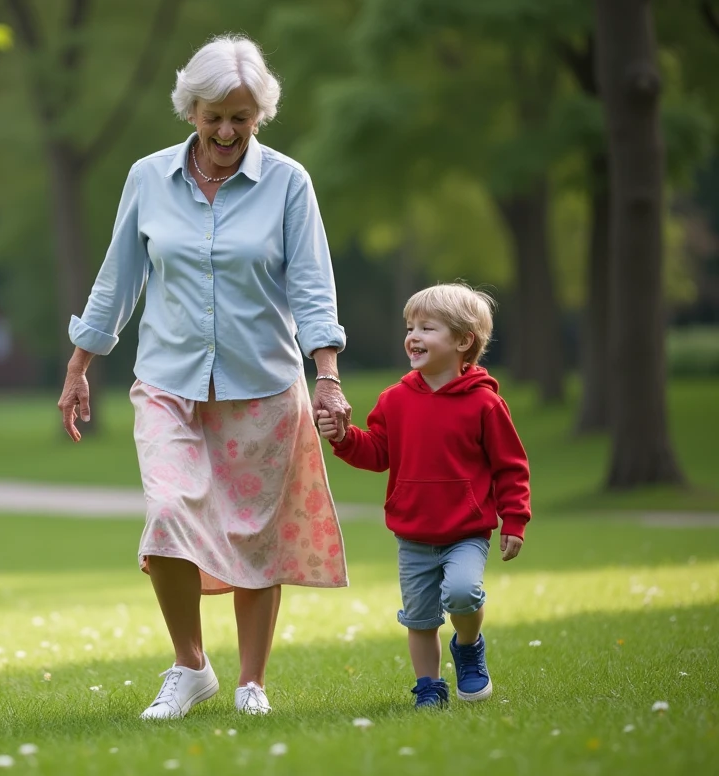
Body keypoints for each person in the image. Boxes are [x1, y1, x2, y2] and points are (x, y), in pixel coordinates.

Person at [56, 35, 351, 720]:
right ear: (190, 107)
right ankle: (190, 665)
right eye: (214, 114)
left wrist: (328, 374)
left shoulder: (288, 183)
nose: (226, 131)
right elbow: (117, 281)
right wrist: (80, 365)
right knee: (167, 516)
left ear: (259, 117)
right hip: (169, 384)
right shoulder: (147, 179)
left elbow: (311, 286)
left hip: (264, 387)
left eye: (241, 118)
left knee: (254, 535)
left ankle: (252, 682)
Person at [317, 283, 531, 708]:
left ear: (463, 341)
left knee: (463, 593)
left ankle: (468, 647)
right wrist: (344, 438)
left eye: (427, 328)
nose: (413, 336)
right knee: (420, 618)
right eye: (410, 326)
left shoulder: (485, 405)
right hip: (413, 535)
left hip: (466, 531)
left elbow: (511, 466)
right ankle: (428, 686)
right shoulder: (395, 400)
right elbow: (378, 451)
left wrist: (515, 521)